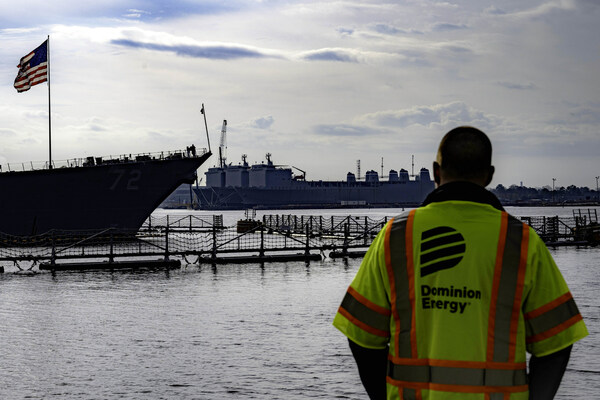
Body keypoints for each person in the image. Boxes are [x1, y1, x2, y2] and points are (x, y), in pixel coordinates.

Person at [333, 126, 588, 400]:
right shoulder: (522, 242)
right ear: (490, 176)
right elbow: (557, 344)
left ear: (435, 172)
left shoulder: (396, 236)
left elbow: (362, 338)